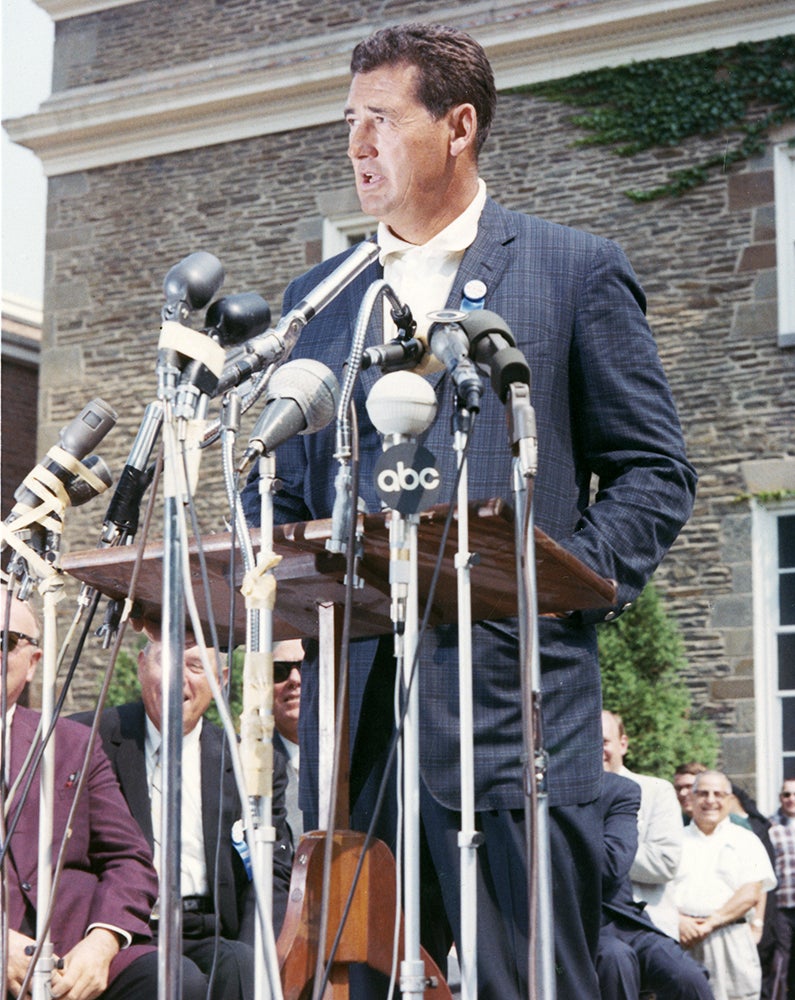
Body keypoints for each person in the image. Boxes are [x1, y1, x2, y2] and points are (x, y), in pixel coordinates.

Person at [242, 21, 697, 999]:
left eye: (379, 120)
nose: (355, 144)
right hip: (350, 735)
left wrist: (552, 583)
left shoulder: (572, 270)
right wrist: (273, 548)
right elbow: (274, 486)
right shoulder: (322, 298)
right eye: (346, 123)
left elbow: (656, 471)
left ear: (457, 126)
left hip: (513, 720)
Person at [1, 588, 207, 1000]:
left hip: (75, 953)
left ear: (33, 662)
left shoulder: (70, 742)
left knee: (172, 980)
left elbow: (128, 857)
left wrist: (102, 942)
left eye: (2, 642)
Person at [74, 638, 293, 1000]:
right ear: (143, 665)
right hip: (126, 930)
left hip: (209, 927)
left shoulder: (246, 762)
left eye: (194, 667)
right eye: (167, 663)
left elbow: (271, 872)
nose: (179, 680)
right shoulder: (89, 739)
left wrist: (257, 957)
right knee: (177, 981)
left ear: (221, 680)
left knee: (242, 965)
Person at [597, 770, 714, 1000]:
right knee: (615, 959)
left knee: (687, 977)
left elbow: (615, 861)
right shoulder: (547, 794)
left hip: (627, 920)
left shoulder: (621, 789)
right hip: (579, 924)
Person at [674, 770, 777, 1000]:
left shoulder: (746, 840)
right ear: (691, 798)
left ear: (729, 800)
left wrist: (710, 923)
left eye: (718, 794)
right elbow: (657, 891)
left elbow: (751, 892)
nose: (710, 800)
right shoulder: (674, 840)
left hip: (730, 939)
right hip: (681, 940)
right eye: (703, 793)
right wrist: (678, 922)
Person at [602, 709, 683, 939]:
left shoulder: (656, 791)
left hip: (648, 928)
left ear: (623, 744)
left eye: (605, 742)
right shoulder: (572, 801)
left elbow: (665, 862)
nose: (598, 750)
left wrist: (605, 851)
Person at [271, 637, 304, 842]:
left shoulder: (354, 757)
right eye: (279, 671)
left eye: (306, 666)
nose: (294, 679)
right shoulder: (246, 764)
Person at [769, 779, 795, 997]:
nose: (791, 799)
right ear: (780, 798)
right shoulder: (772, 826)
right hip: (781, 904)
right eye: (787, 795)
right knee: (781, 959)